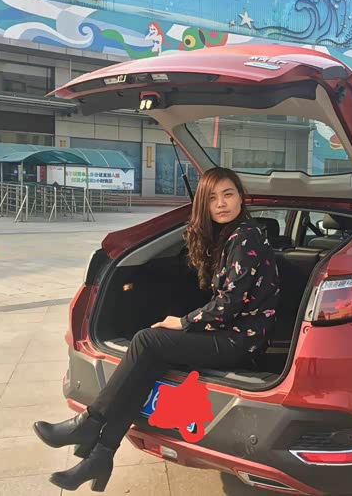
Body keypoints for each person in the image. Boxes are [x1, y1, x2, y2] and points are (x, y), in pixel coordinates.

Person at [33, 167, 280, 492]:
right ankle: (101, 454)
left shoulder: (247, 237)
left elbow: (228, 304)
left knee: (147, 342)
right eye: (212, 198)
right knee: (148, 358)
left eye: (228, 194)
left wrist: (182, 322)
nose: (221, 203)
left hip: (241, 342)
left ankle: (90, 423)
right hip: (227, 334)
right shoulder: (228, 237)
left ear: (240, 198)